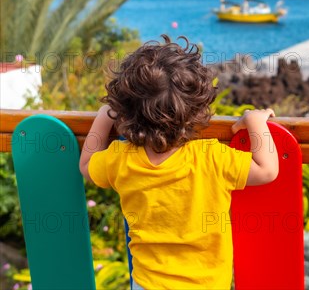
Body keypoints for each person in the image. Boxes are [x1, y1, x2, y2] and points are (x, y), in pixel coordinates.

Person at [79, 35, 279, 289]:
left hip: (146, 283)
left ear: (126, 111)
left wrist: (105, 116)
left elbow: (86, 166)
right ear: (196, 109)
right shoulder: (211, 157)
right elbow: (268, 170)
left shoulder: (122, 158)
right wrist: (255, 122)